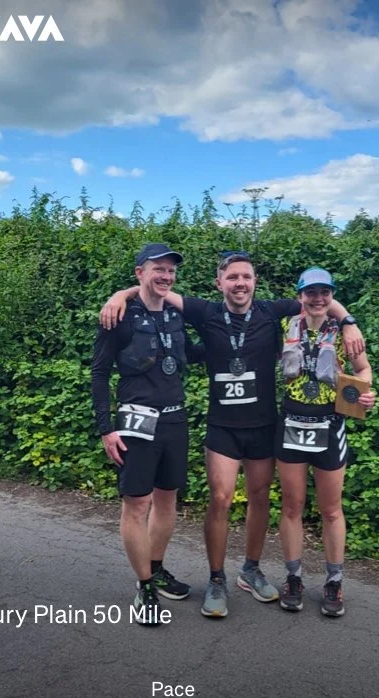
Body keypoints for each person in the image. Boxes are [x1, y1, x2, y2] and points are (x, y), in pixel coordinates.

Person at [100, 251, 365, 619]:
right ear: (219, 282)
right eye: (233, 277)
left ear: (255, 282)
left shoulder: (273, 311)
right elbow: (154, 288)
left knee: (259, 499)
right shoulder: (203, 311)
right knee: (221, 498)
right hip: (222, 427)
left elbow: (320, 300)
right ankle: (216, 578)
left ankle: (251, 570)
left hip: (263, 425)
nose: (240, 283)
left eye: (247, 277)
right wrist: (120, 295)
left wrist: (349, 322)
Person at [91, 243, 204, 625]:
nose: (166, 276)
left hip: (174, 421)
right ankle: (144, 588)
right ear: (139, 272)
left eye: (170, 271)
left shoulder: (175, 314)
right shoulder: (118, 315)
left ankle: (155, 568)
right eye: (158, 269)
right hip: (136, 423)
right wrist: (107, 429)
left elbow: (190, 353)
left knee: (167, 500)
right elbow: (100, 373)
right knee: (137, 505)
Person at [275, 267, 376, 618]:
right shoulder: (283, 323)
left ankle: (334, 580)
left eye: (325, 293)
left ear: (331, 295)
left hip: (329, 428)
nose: (318, 299)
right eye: (311, 292)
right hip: (290, 426)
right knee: (292, 506)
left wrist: (363, 393)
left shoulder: (345, 332)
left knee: (331, 509)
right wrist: (348, 316)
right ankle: (294, 577)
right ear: (299, 296)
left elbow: (364, 371)